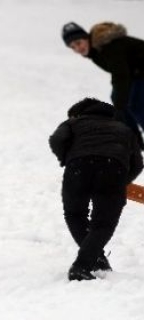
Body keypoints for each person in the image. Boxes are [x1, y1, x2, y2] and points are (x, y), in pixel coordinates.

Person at [49, 98, 143, 281]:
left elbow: (57, 140)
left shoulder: (73, 122)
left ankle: (88, 263)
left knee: (75, 214)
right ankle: (90, 261)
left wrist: (67, 159)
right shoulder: (124, 129)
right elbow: (138, 164)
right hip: (113, 170)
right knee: (103, 223)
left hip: (78, 168)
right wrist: (121, 181)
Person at [62, 22, 144, 137]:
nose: (77, 48)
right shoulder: (96, 52)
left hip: (138, 74)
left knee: (135, 104)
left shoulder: (109, 46)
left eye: (78, 42)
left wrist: (119, 108)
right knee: (119, 99)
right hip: (136, 74)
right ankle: (134, 138)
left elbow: (120, 75)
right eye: (72, 47)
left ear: (86, 37)